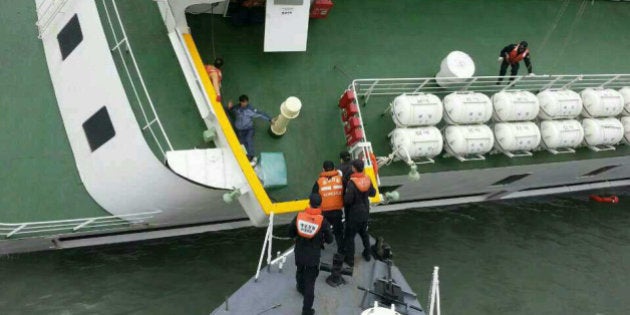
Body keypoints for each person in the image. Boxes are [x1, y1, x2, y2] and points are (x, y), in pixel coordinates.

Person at [288, 194, 333, 315]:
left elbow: (290, 231)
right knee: (310, 282)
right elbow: (330, 239)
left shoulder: (299, 216)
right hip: (313, 256)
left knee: (300, 269)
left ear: (309, 203)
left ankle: (299, 287)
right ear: (319, 204)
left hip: (299, 251)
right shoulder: (322, 221)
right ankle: (306, 310)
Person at [342, 159, 377, 266]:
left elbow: (348, 200)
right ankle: (367, 254)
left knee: (350, 236)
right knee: (364, 233)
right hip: (365, 212)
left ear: (354, 168)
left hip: (354, 214)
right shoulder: (367, 179)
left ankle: (350, 259)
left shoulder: (351, 183)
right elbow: (373, 193)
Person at [228, 95, 272, 165]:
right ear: (240, 102)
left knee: (249, 140)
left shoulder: (250, 109)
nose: (245, 104)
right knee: (242, 143)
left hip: (249, 129)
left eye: (246, 102)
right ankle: (246, 157)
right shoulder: (236, 108)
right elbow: (231, 110)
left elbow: (260, 114)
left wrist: (270, 119)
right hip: (240, 130)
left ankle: (251, 157)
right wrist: (230, 107)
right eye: (244, 102)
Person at [312, 160, 345, 251]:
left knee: (321, 230)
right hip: (337, 211)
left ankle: (320, 246)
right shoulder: (341, 179)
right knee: (338, 233)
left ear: (323, 169)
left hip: (324, 212)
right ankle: (341, 250)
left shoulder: (319, 182)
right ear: (334, 168)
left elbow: (313, 196)